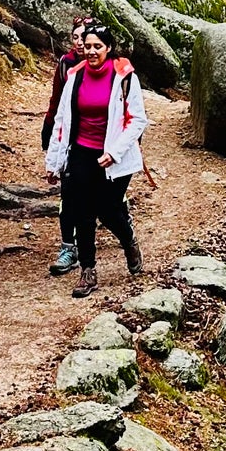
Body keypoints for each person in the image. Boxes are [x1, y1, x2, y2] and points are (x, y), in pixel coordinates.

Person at [44, 23, 154, 297]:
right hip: (82, 151)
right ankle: (88, 271)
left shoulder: (124, 76)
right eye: (87, 46)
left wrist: (114, 151)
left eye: (97, 47)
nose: (91, 51)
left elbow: (137, 119)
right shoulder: (75, 75)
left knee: (107, 208)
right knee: (82, 209)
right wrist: (54, 161)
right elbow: (63, 120)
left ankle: (128, 239)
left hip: (114, 156)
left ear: (108, 48)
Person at [42, 17, 89, 276]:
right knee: (68, 196)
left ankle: (121, 229)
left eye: (86, 38)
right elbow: (57, 100)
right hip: (71, 140)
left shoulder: (115, 71)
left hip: (99, 145)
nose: (82, 44)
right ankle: (69, 247)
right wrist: (49, 128)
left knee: (105, 199)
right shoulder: (66, 65)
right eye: (76, 38)